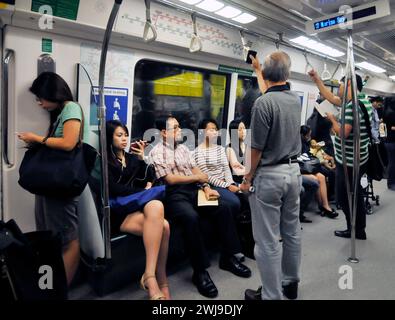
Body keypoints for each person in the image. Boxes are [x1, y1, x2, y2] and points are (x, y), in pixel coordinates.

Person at [149, 116, 251, 298]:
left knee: (223, 208)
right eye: (175, 128)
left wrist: (206, 187)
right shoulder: (157, 151)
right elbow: (170, 179)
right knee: (191, 218)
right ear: (164, 133)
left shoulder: (183, 149)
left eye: (179, 127)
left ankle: (228, 257)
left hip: (193, 189)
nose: (179, 130)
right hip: (173, 195)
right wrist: (198, 179)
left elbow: (195, 170)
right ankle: (200, 271)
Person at [242, 51, 302, 300]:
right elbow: (271, 90)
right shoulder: (293, 100)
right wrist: (258, 68)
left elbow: (255, 149)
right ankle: (290, 284)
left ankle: (271, 295)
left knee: (266, 241)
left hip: (269, 176)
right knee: (291, 233)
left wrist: (246, 179)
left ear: (267, 75)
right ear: (286, 75)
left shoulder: (262, 104)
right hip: (293, 172)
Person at [17, 72, 85, 286]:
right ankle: (51, 285)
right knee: (50, 235)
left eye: (40, 98)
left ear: (52, 93)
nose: (39, 103)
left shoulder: (71, 108)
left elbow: (68, 143)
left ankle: (60, 290)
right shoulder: (59, 112)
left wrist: (36, 138)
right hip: (51, 186)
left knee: (68, 240)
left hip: (61, 187)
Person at [106, 120, 170, 300]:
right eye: (119, 135)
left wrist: (143, 158)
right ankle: (159, 280)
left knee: (157, 208)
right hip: (118, 214)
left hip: (133, 207)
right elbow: (114, 189)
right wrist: (142, 191)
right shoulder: (104, 160)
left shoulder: (131, 158)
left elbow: (149, 178)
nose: (124, 139)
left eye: (126, 135)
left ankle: (152, 276)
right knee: (163, 227)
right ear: (109, 137)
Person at [308, 70, 372, 240]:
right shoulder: (363, 100)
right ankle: (358, 229)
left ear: (349, 84)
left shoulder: (352, 106)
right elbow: (332, 98)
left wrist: (332, 119)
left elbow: (343, 133)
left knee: (345, 197)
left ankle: (355, 230)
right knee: (355, 194)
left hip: (349, 162)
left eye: (341, 85)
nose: (338, 90)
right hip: (359, 157)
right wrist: (317, 80)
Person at [300, 125, 337, 218]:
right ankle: (322, 207)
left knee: (321, 176)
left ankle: (325, 206)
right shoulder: (298, 145)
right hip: (301, 169)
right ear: (303, 135)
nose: (309, 137)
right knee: (316, 179)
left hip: (307, 168)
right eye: (308, 135)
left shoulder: (308, 143)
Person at [383, 98, 395, 190]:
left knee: (392, 162)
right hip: (392, 141)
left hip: (389, 141)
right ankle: (391, 183)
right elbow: (393, 128)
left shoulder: (387, 111)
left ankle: (391, 182)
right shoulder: (391, 113)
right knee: (392, 163)